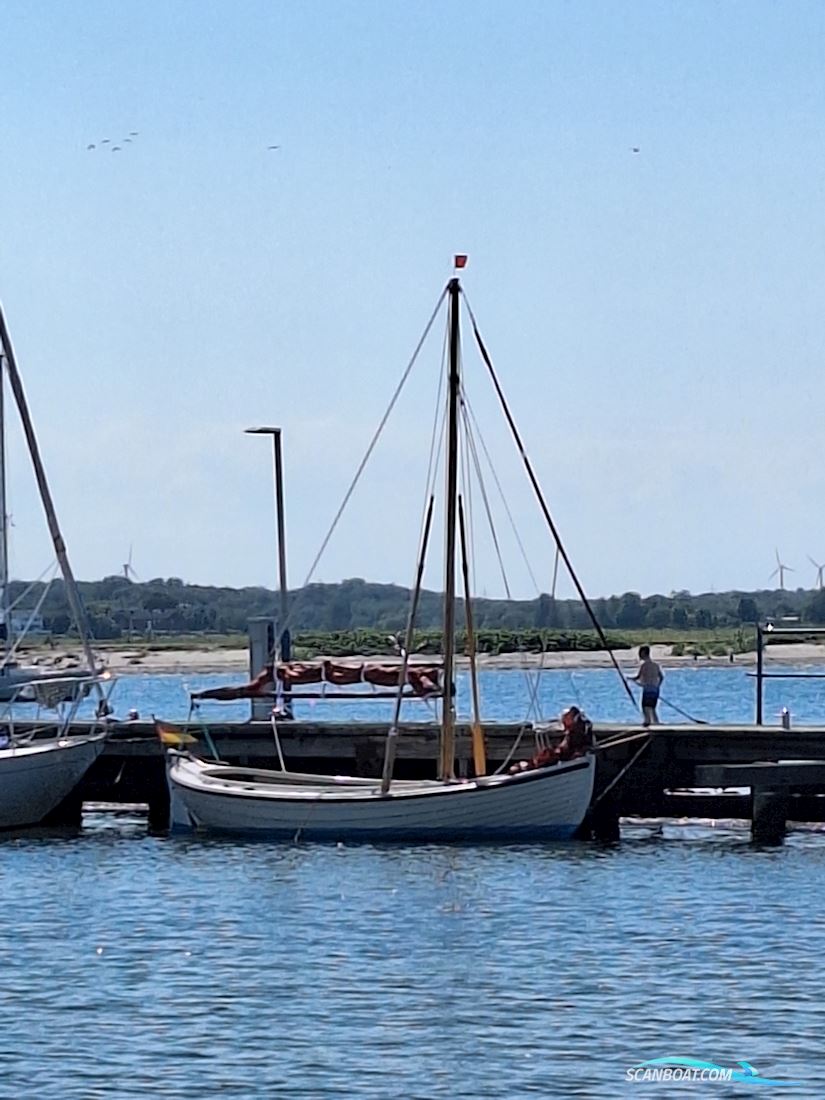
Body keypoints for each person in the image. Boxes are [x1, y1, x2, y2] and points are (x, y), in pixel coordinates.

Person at [633, 644, 663, 726]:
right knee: (652, 708)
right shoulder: (656, 665)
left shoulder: (644, 665)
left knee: (645, 707)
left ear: (643, 653)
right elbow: (661, 677)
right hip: (655, 689)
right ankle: (656, 723)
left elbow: (638, 677)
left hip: (647, 690)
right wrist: (657, 686)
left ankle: (647, 722)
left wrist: (630, 679)